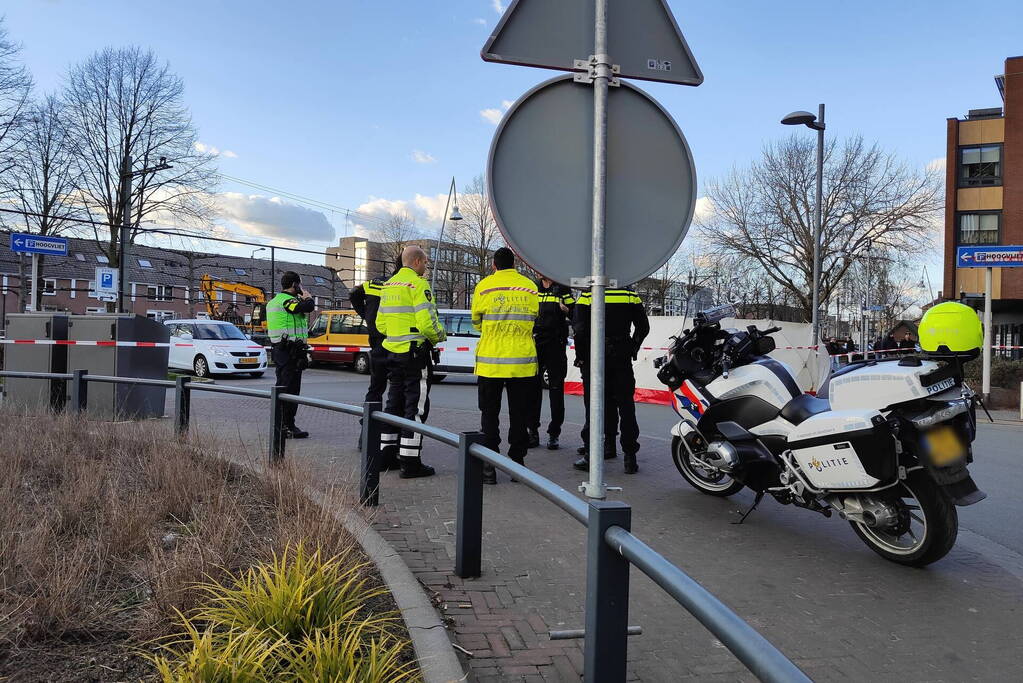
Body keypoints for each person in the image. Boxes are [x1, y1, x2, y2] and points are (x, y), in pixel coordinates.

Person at [375, 246, 446, 478]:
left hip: (393, 353)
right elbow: (427, 324)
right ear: (416, 261)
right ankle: (410, 461)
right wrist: (439, 335)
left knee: (393, 404)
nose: (426, 267)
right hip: (415, 355)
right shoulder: (418, 284)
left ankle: (386, 456)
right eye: (425, 262)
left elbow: (380, 325)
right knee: (415, 407)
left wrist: (397, 333)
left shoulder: (388, 285)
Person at [471, 247, 539, 485]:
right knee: (519, 415)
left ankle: (489, 467)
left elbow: (476, 321)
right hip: (522, 363)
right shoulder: (529, 286)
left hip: (491, 362)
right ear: (515, 264)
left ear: (493, 265)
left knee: (489, 415)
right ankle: (517, 463)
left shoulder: (484, 286)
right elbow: (534, 318)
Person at [573, 286, 649, 474]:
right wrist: (632, 348)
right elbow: (643, 327)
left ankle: (594, 455)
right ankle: (630, 457)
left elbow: (580, 330)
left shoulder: (589, 293)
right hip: (621, 356)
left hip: (595, 356)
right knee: (625, 405)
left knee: (595, 407)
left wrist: (582, 356)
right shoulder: (629, 293)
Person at [350, 264, 398, 466]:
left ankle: (366, 437)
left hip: (376, 342)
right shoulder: (403, 285)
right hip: (394, 342)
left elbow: (353, 294)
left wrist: (367, 317)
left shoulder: (373, 283)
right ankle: (389, 443)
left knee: (375, 391)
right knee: (396, 393)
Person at [266, 271, 317, 439]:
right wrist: (308, 297)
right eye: (299, 284)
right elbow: (306, 307)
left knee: (290, 388)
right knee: (288, 388)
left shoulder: (276, 301)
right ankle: (283, 426)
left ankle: (286, 425)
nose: (301, 288)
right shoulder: (286, 301)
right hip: (287, 350)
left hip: (290, 350)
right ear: (295, 285)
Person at [528, 277, 573, 450]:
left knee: (556, 390)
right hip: (536, 343)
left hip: (556, 343)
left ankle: (554, 433)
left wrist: (566, 310)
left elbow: (575, 313)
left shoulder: (562, 288)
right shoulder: (533, 287)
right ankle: (532, 431)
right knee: (533, 390)